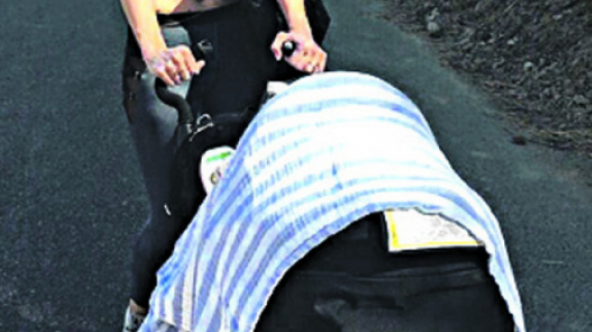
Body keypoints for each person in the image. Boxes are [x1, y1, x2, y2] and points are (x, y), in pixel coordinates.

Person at [94, 0, 328, 330]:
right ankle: (141, 311)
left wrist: (300, 27)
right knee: (174, 211)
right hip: (168, 43)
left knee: (249, 200)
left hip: (240, 40)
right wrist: (153, 48)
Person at [139, 72, 527, 332]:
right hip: (463, 257)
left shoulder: (263, 162)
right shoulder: (403, 142)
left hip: (310, 263)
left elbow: (193, 285)